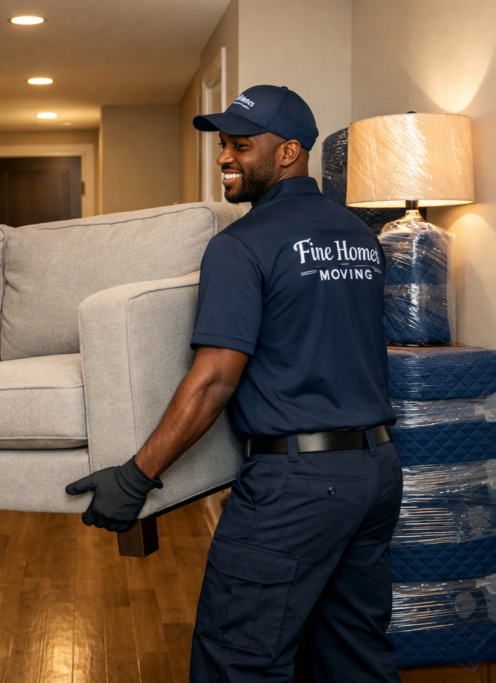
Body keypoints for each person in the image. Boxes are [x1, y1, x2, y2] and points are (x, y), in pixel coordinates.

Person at [66, 85, 402, 682]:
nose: (224, 158)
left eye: (241, 146)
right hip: (376, 473)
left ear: (289, 152)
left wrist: (136, 476)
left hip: (296, 488)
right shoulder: (360, 237)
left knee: (236, 660)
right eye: (222, 145)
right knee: (354, 656)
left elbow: (216, 379)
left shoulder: (240, 246)